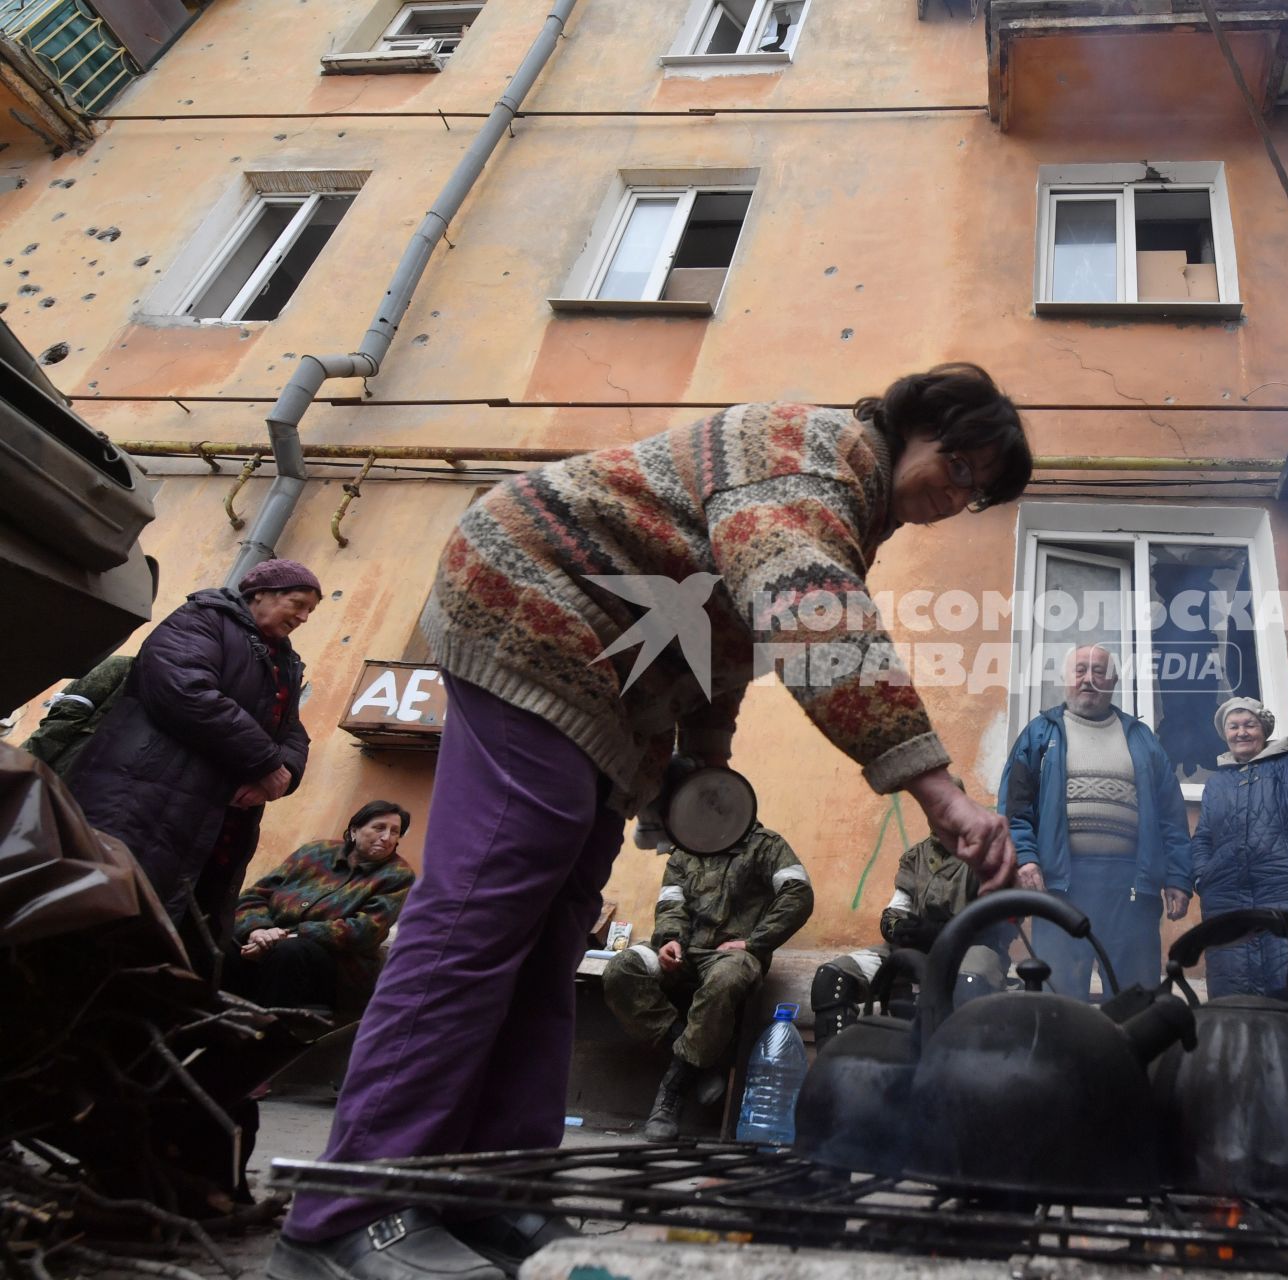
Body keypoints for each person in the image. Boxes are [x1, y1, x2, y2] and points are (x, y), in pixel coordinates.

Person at [271, 364, 1030, 1280]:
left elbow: (722, 638)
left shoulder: (847, 503)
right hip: (538, 601)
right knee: (478, 917)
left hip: (603, 673)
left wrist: (706, 765)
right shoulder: (814, 454)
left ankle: (495, 1189)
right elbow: (813, 615)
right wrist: (940, 792)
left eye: (978, 490)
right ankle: (350, 1210)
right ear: (916, 424)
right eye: (960, 465)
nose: (958, 496)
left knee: (551, 932)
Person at [66, 560, 317, 953]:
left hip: (211, 826)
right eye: (297, 604)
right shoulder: (200, 620)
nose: (303, 617)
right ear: (260, 594)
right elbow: (185, 690)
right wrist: (265, 763)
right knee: (102, 927)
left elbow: (293, 732)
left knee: (175, 936)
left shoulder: (284, 661)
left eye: (310, 612)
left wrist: (281, 773)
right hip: (140, 807)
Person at [999, 644, 1193, 1002]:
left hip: (1131, 887)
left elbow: (1171, 815)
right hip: (1060, 886)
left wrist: (1179, 877)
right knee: (1058, 997)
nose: (1089, 679)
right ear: (1065, 680)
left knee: (1135, 998)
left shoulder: (1141, 738)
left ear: (1114, 681)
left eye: (1099, 671)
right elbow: (1015, 809)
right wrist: (1025, 858)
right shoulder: (1040, 734)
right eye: (1080, 670)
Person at [602, 821, 813, 1140]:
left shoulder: (765, 845)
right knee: (622, 969)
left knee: (725, 979)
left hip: (732, 954)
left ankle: (672, 1090)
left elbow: (798, 893)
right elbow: (671, 904)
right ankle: (695, 1063)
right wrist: (670, 940)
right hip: (683, 951)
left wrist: (755, 942)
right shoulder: (686, 847)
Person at [812, 779, 1010, 1043]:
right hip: (915, 949)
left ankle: (956, 1073)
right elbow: (896, 910)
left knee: (969, 981)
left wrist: (940, 933)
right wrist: (898, 930)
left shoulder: (984, 853)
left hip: (970, 951)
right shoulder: (915, 857)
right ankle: (838, 1073)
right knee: (832, 978)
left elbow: (999, 925)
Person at [1189, 697, 1288, 1025]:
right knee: (1239, 1009)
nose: (1241, 733)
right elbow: (1203, 837)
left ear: (1265, 729)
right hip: (1229, 901)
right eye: (1233, 726)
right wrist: (1203, 875)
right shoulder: (1216, 783)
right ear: (1224, 733)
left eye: (1250, 725)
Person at [226, 800, 416, 1019]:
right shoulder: (316, 852)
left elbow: (364, 931)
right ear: (354, 830)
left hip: (338, 967)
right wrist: (258, 931)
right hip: (270, 937)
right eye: (379, 827)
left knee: (289, 953)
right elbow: (255, 895)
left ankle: (264, 1034)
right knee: (226, 944)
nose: (387, 837)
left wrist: (287, 936)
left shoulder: (398, 875)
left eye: (395, 832)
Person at [20, 654, 133, 779]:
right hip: (82, 781)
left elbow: (61, 723)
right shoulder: (122, 667)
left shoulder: (123, 666)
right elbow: (62, 722)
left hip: (64, 780)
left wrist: (15, 769)